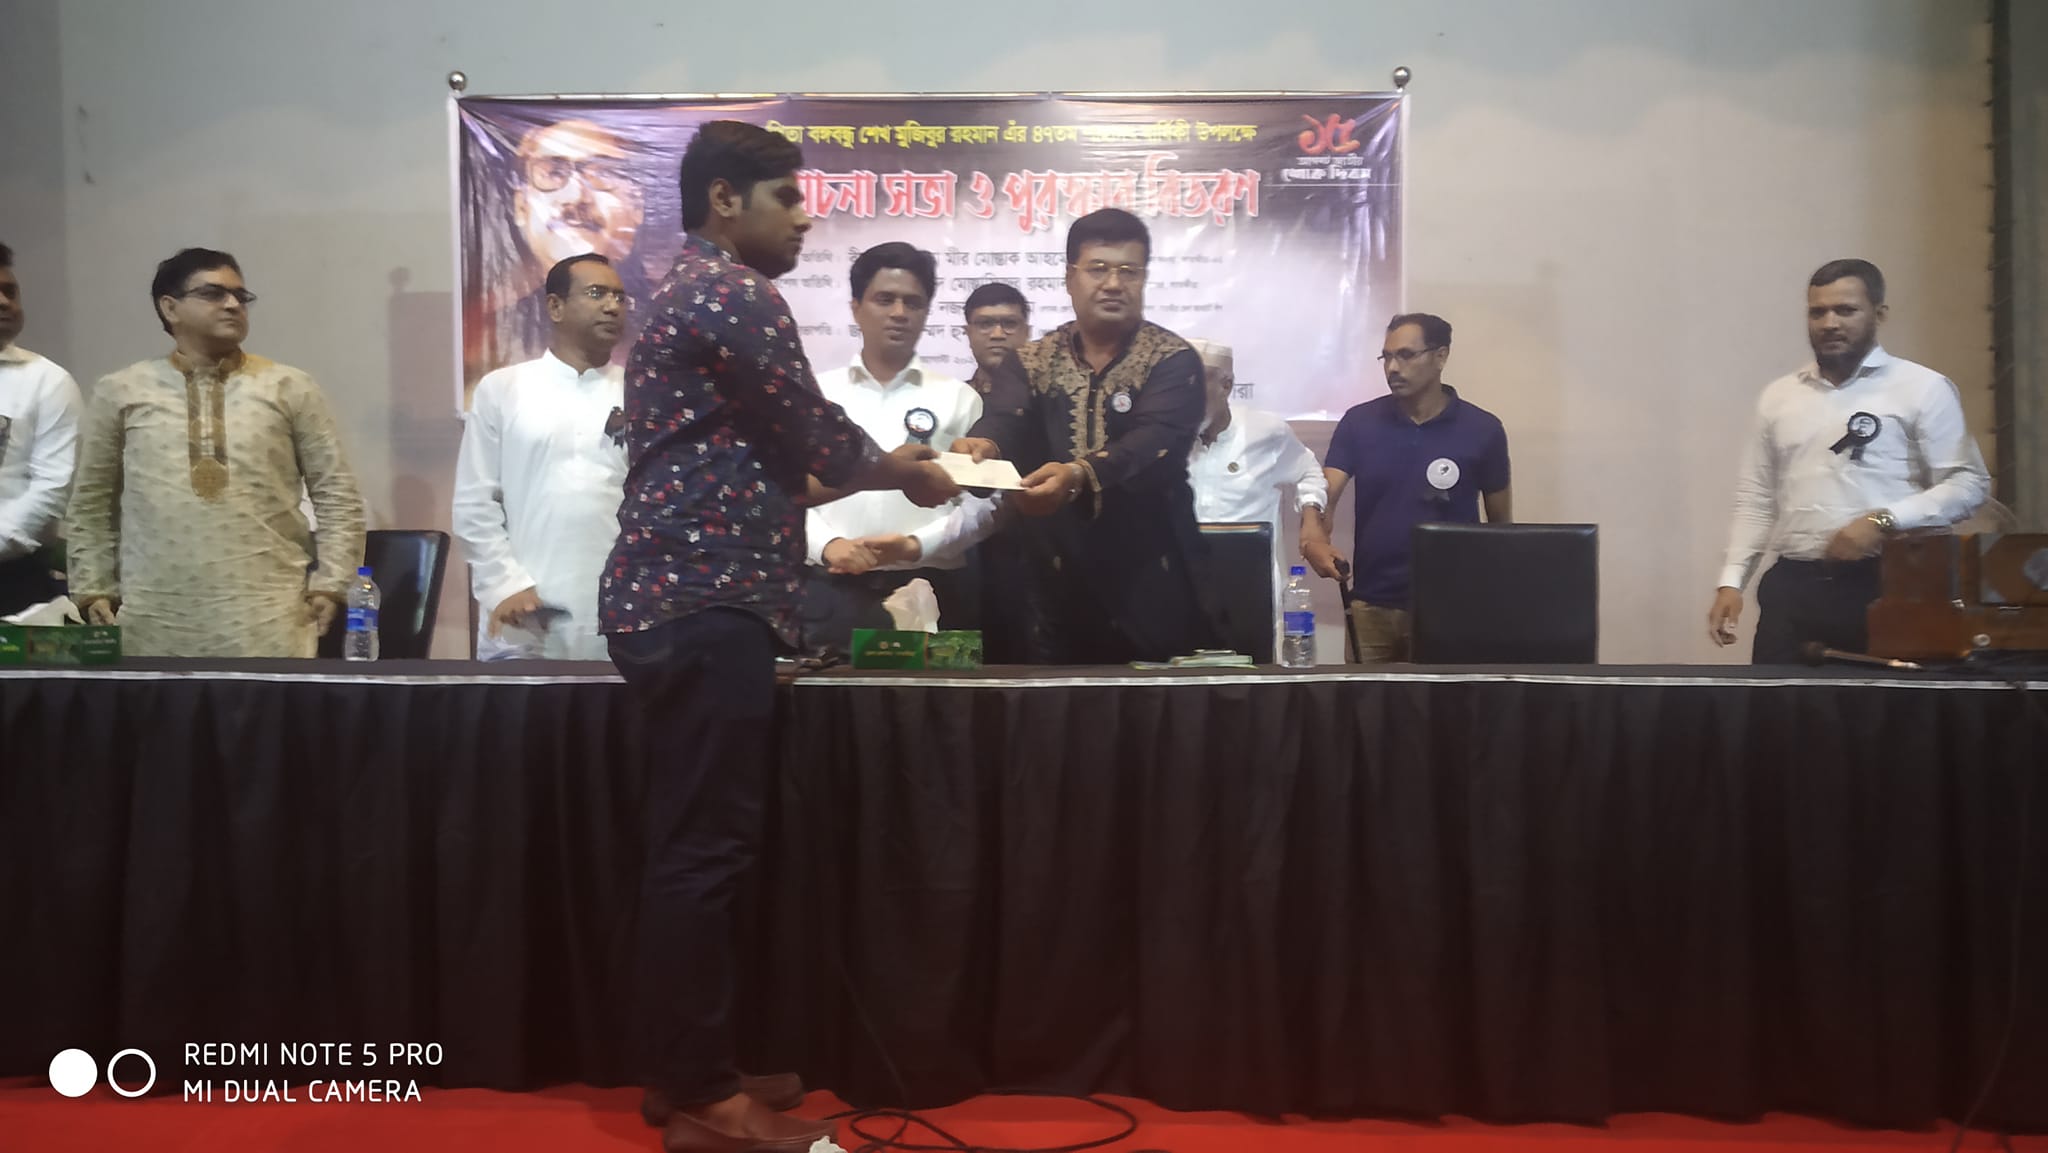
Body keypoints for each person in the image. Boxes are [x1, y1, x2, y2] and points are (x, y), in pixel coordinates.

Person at [598, 120, 958, 1153]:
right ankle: (705, 1101)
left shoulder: (691, 291)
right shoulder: (730, 292)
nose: (805, 217)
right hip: (702, 604)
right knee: (702, 854)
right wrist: (907, 470)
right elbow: (822, 441)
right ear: (724, 199)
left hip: (682, 601)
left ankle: (684, 1068)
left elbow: (773, 471)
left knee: (691, 848)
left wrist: (878, 470)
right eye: (787, 198)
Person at [65, 248, 367, 658]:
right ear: (169, 307)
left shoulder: (289, 387)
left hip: (269, 619)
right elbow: (91, 503)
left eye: (241, 296)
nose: (232, 304)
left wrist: (332, 582)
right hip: (152, 620)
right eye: (213, 293)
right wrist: (93, 587)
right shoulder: (121, 391)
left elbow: (337, 495)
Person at [957, 207, 1219, 664]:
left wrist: (1078, 474)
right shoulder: (1032, 359)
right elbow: (1006, 418)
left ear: (1144, 278)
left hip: (1152, 576)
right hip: (1050, 581)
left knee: (1154, 707)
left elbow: (1153, 442)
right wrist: (984, 446)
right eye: (1098, 269)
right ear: (1069, 277)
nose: (1113, 283)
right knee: (1050, 706)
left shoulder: (1172, 360)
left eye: (1128, 271)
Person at [1706, 259, 1989, 663]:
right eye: (1817, 312)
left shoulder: (1922, 389)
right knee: (1776, 702)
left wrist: (1882, 521)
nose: (1830, 323)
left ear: (1879, 314)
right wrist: (1732, 582)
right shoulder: (1780, 397)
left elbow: (1968, 484)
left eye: (1846, 310)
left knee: (1883, 702)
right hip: (1793, 588)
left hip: (1889, 585)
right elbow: (1756, 499)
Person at [800, 242, 986, 654]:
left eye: (913, 302)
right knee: (827, 697)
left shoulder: (960, 399)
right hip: (831, 588)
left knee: (945, 697)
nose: (900, 313)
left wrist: (916, 545)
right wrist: (828, 546)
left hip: (935, 588)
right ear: (856, 307)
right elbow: (786, 489)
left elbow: (985, 505)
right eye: (885, 299)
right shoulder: (818, 395)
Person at [1301, 312, 1511, 663]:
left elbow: (1501, 529)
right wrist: (1314, 534)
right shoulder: (1360, 422)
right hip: (1371, 604)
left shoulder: (1483, 429)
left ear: (1441, 356)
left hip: (1451, 608)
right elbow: (1325, 490)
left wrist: (1490, 604)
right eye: (1386, 357)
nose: (1393, 368)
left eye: (1406, 355)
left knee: (1444, 699)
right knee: (1364, 699)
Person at [452, 253, 630, 660]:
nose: (612, 306)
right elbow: (475, 503)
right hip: (524, 611)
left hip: (621, 617)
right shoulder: (503, 389)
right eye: (597, 293)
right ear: (555, 306)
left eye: (620, 297)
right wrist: (505, 586)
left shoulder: (641, 392)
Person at [464, 118, 652, 407]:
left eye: (602, 173)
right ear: (521, 207)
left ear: (636, 205)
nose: (576, 196)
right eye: (553, 173)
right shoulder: (483, 342)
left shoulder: (665, 330)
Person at [1183, 339, 1328, 660]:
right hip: (1185, 587)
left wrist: (1311, 521)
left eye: (1197, 383)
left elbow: (1308, 471)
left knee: (1253, 679)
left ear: (1226, 385)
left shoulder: (1266, 432)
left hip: (1251, 593)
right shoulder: (1168, 437)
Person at [0, 241, 83, 616]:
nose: (4, 302)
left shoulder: (46, 381)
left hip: (13, 579)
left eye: (10, 291)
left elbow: (52, 488)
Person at [961, 281, 1030, 396]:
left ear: (1026, 332)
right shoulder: (952, 400)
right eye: (985, 324)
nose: (997, 335)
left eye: (1010, 323)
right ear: (969, 333)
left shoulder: (1048, 402)